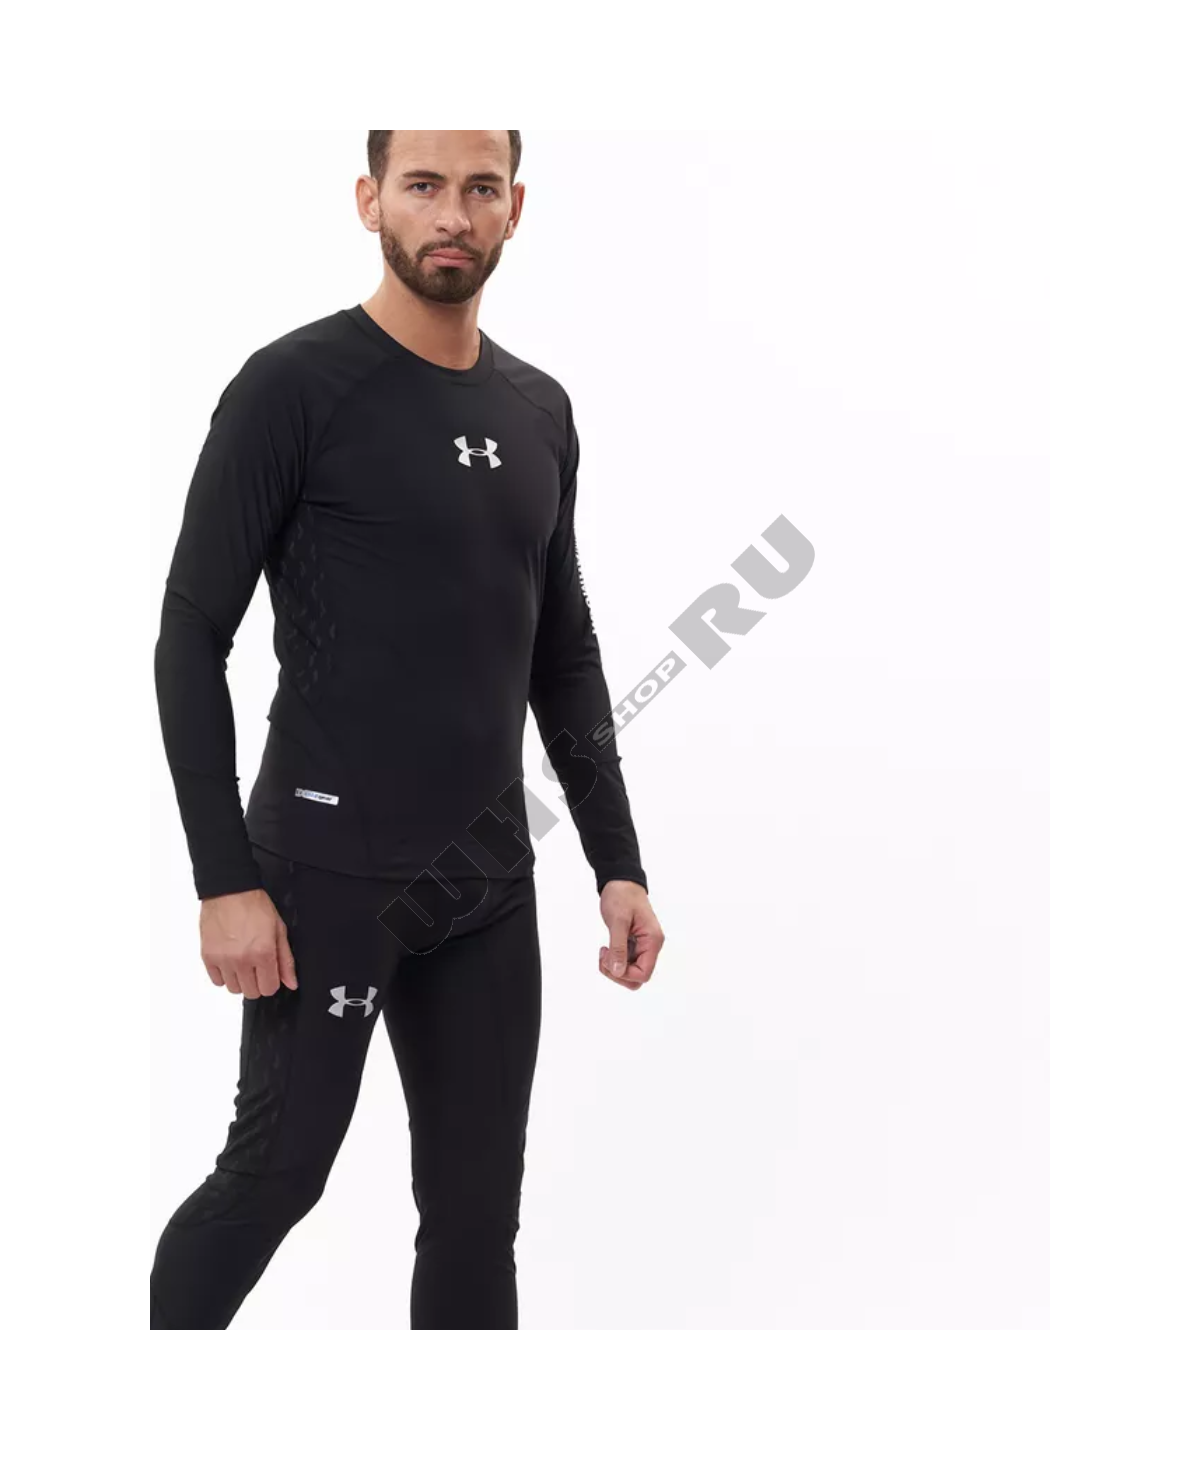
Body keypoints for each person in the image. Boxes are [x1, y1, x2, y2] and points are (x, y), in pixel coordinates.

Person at [149, 130, 665, 1330]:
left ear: (515, 207)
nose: (451, 215)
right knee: (273, 1182)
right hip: (324, 879)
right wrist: (224, 880)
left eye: (480, 189)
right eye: (423, 186)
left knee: (479, 1220)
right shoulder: (294, 387)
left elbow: (563, 653)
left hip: (485, 884)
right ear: (369, 198)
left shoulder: (539, 409)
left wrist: (618, 863)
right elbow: (188, 637)